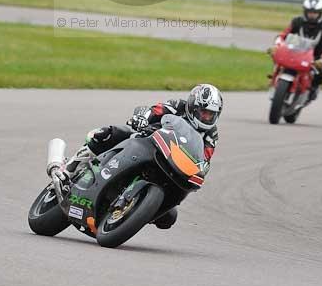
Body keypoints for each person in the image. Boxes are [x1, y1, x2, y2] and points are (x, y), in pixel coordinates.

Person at [48, 83, 224, 229]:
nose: (206, 117)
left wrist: (201, 170)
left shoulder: (211, 136)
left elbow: (204, 159)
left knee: (169, 218)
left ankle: (131, 209)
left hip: (172, 165)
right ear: (193, 106)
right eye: (203, 112)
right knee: (106, 134)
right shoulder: (178, 106)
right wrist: (141, 118)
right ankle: (69, 169)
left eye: (211, 115)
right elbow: (154, 110)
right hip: (146, 140)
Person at [270, 0, 322, 100]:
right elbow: (283, 35)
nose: (312, 15)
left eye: (315, 13)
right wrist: (276, 46)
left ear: (321, 13)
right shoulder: (297, 22)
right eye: (309, 12)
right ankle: (275, 79)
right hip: (295, 51)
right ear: (305, 11)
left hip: (316, 56)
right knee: (278, 59)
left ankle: (312, 90)